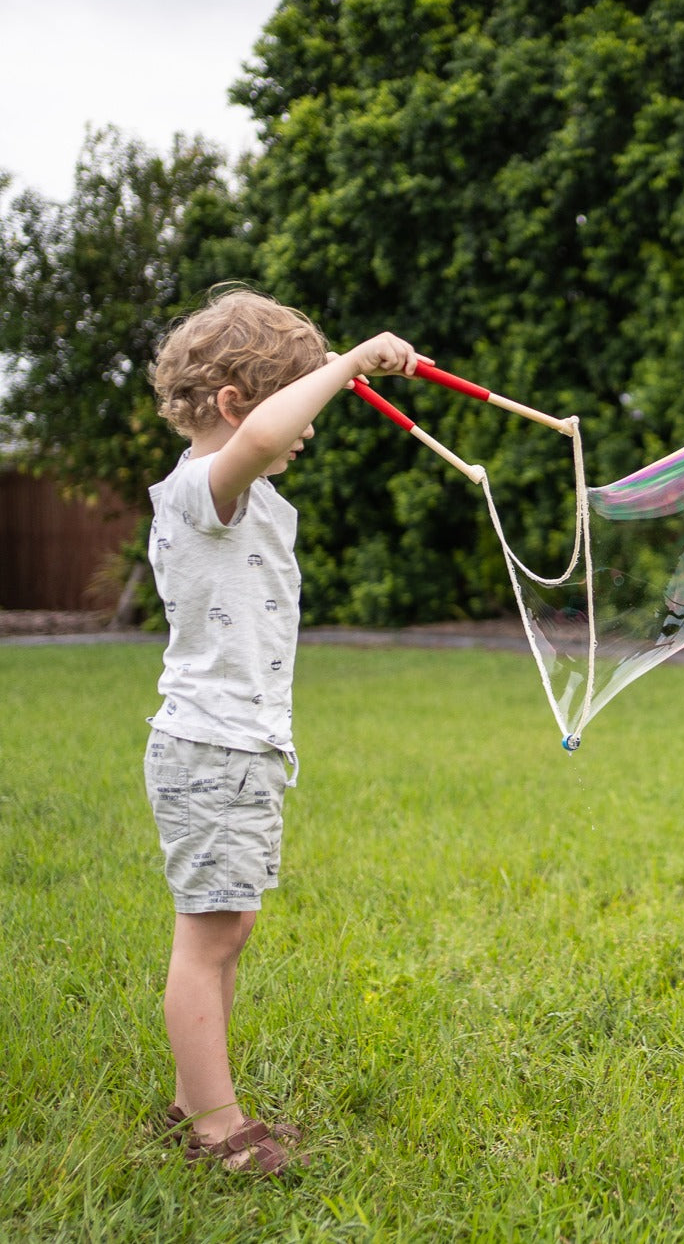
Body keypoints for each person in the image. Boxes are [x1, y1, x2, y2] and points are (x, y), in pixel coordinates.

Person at [144, 286, 426, 1175]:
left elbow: (267, 435)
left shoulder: (244, 494)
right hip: (211, 747)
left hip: (242, 748)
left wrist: (330, 368)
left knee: (229, 929)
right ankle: (215, 1126)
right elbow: (267, 436)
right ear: (235, 404)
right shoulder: (204, 487)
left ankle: (195, 1102)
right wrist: (351, 361)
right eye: (300, 405)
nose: (308, 428)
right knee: (207, 939)